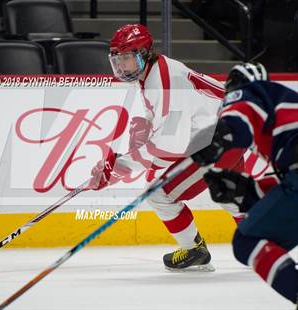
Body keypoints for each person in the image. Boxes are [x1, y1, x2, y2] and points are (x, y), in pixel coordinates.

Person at [90, 24, 246, 271]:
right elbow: (165, 129)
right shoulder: (154, 72)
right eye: (117, 59)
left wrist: (123, 166)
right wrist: (123, 162)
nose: (120, 66)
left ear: (144, 54)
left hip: (215, 140)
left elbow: (169, 145)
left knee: (158, 193)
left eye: (127, 58)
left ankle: (195, 250)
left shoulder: (162, 80)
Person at [191, 62, 298, 304]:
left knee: (247, 241)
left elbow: (238, 122)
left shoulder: (251, 91)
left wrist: (221, 136)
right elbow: (287, 189)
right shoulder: (283, 109)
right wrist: (246, 193)